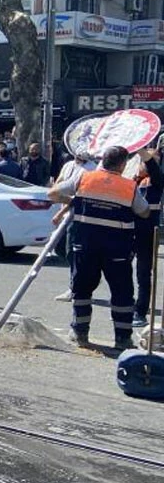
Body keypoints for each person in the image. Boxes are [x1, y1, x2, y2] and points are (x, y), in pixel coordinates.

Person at [48, 146, 150, 349]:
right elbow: (144, 211)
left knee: (82, 289)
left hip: (85, 245)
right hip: (117, 250)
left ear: (103, 160)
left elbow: (53, 193)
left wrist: (74, 201)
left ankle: (80, 333)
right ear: (122, 164)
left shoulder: (84, 178)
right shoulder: (129, 187)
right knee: (121, 293)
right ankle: (122, 338)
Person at [51, 152, 99, 303]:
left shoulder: (91, 169)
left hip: (78, 216)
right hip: (67, 214)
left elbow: (79, 198)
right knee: (61, 249)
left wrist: (61, 211)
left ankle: (75, 288)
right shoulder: (68, 165)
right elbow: (57, 186)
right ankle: (79, 283)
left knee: (72, 252)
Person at [132, 147, 164, 328]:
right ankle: (126, 305)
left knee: (143, 273)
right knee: (121, 269)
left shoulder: (157, 179)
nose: (142, 164)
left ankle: (140, 311)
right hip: (129, 229)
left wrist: (139, 146)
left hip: (147, 231)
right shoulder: (134, 182)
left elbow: (152, 165)